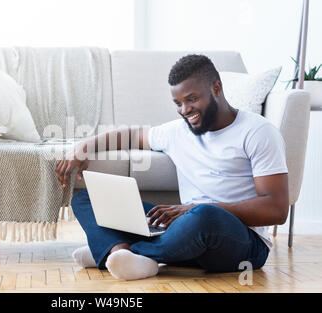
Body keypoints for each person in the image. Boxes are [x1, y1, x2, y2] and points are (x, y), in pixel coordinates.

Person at [55, 54, 289, 281]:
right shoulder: (178, 131)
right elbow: (132, 135)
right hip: (183, 230)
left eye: (191, 99)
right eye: (178, 103)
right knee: (87, 198)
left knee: (205, 214)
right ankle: (121, 252)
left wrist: (193, 209)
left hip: (242, 242)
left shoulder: (258, 132)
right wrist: (83, 146)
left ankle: (113, 251)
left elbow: (276, 209)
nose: (185, 110)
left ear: (216, 89)